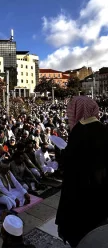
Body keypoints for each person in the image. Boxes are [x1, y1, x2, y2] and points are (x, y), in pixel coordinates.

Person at [56, 96, 108, 247]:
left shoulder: (79, 132)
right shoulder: (104, 130)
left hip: (80, 199)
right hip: (101, 198)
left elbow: (70, 168)